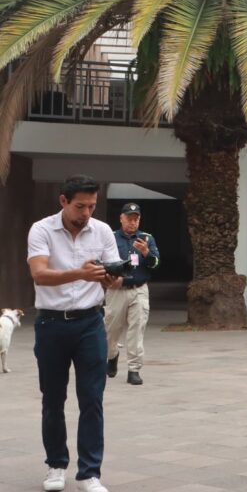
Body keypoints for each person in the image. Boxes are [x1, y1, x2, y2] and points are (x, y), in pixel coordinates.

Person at [27, 175, 123, 492]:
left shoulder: (103, 231)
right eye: (80, 206)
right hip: (51, 324)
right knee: (53, 399)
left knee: (92, 399)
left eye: (92, 206)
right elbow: (40, 274)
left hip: (90, 322)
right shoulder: (41, 230)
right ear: (63, 201)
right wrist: (80, 273)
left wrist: (112, 279)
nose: (86, 213)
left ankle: (89, 473)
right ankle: (56, 466)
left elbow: (116, 275)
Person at [104, 203, 160, 386]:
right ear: (121, 218)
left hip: (139, 290)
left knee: (137, 329)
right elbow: (101, 261)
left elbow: (156, 263)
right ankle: (112, 355)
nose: (132, 222)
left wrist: (146, 253)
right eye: (129, 218)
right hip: (116, 290)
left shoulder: (147, 238)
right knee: (111, 330)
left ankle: (134, 369)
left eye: (136, 219)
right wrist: (111, 277)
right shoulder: (111, 237)